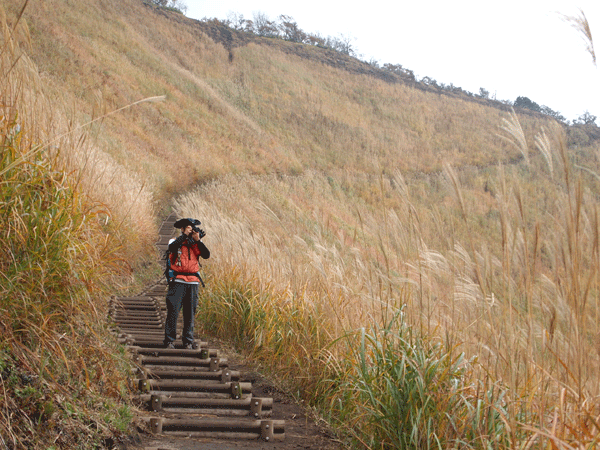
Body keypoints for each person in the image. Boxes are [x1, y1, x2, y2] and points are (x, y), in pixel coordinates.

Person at [163, 218, 210, 349]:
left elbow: (206, 255)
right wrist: (184, 236)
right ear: (182, 229)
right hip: (178, 280)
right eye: (188, 228)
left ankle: (188, 341)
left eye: (191, 228)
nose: (190, 230)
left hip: (193, 282)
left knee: (190, 313)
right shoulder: (175, 241)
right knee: (173, 310)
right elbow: (172, 248)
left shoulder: (195, 243)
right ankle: (169, 340)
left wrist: (198, 240)